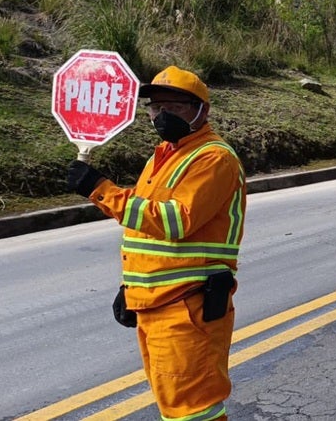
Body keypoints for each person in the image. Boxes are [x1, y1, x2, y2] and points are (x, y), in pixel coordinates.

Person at [66, 65, 246, 421]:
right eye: (155, 106)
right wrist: (130, 288)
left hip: (187, 307)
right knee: (174, 407)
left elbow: (174, 221)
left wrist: (101, 190)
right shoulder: (163, 155)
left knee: (193, 411)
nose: (162, 114)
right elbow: (143, 222)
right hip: (158, 305)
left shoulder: (214, 157)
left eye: (175, 106)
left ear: (202, 110)